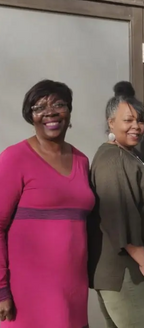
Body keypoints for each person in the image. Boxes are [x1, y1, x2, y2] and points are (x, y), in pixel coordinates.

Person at [0, 80, 95, 327]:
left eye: (59, 104)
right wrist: (1, 289)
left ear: (69, 112)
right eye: (39, 107)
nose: (50, 112)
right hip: (28, 293)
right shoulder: (14, 158)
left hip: (73, 291)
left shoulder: (82, 161)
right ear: (30, 117)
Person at [88, 81, 144, 328]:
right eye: (128, 120)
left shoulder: (127, 154)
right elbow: (118, 217)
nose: (136, 126)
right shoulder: (113, 159)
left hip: (128, 271)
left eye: (140, 120)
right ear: (110, 122)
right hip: (127, 272)